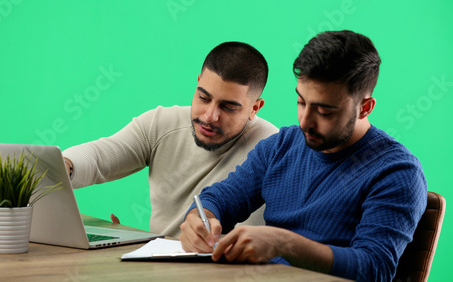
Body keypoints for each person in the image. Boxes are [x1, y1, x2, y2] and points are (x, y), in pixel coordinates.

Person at [180, 30, 427, 281]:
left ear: (365, 108)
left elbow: (374, 269)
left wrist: (283, 243)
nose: (305, 121)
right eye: (301, 102)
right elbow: (221, 198)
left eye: (324, 111)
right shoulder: (282, 145)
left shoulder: (396, 172)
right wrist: (201, 219)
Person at [62, 42, 279, 238]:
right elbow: (101, 156)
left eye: (228, 107)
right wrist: (65, 166)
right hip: (156, 266)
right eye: (203, 97)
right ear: (198, 83)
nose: (209, 116)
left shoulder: (273, 148)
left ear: (254, 108)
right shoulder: (161, 124)